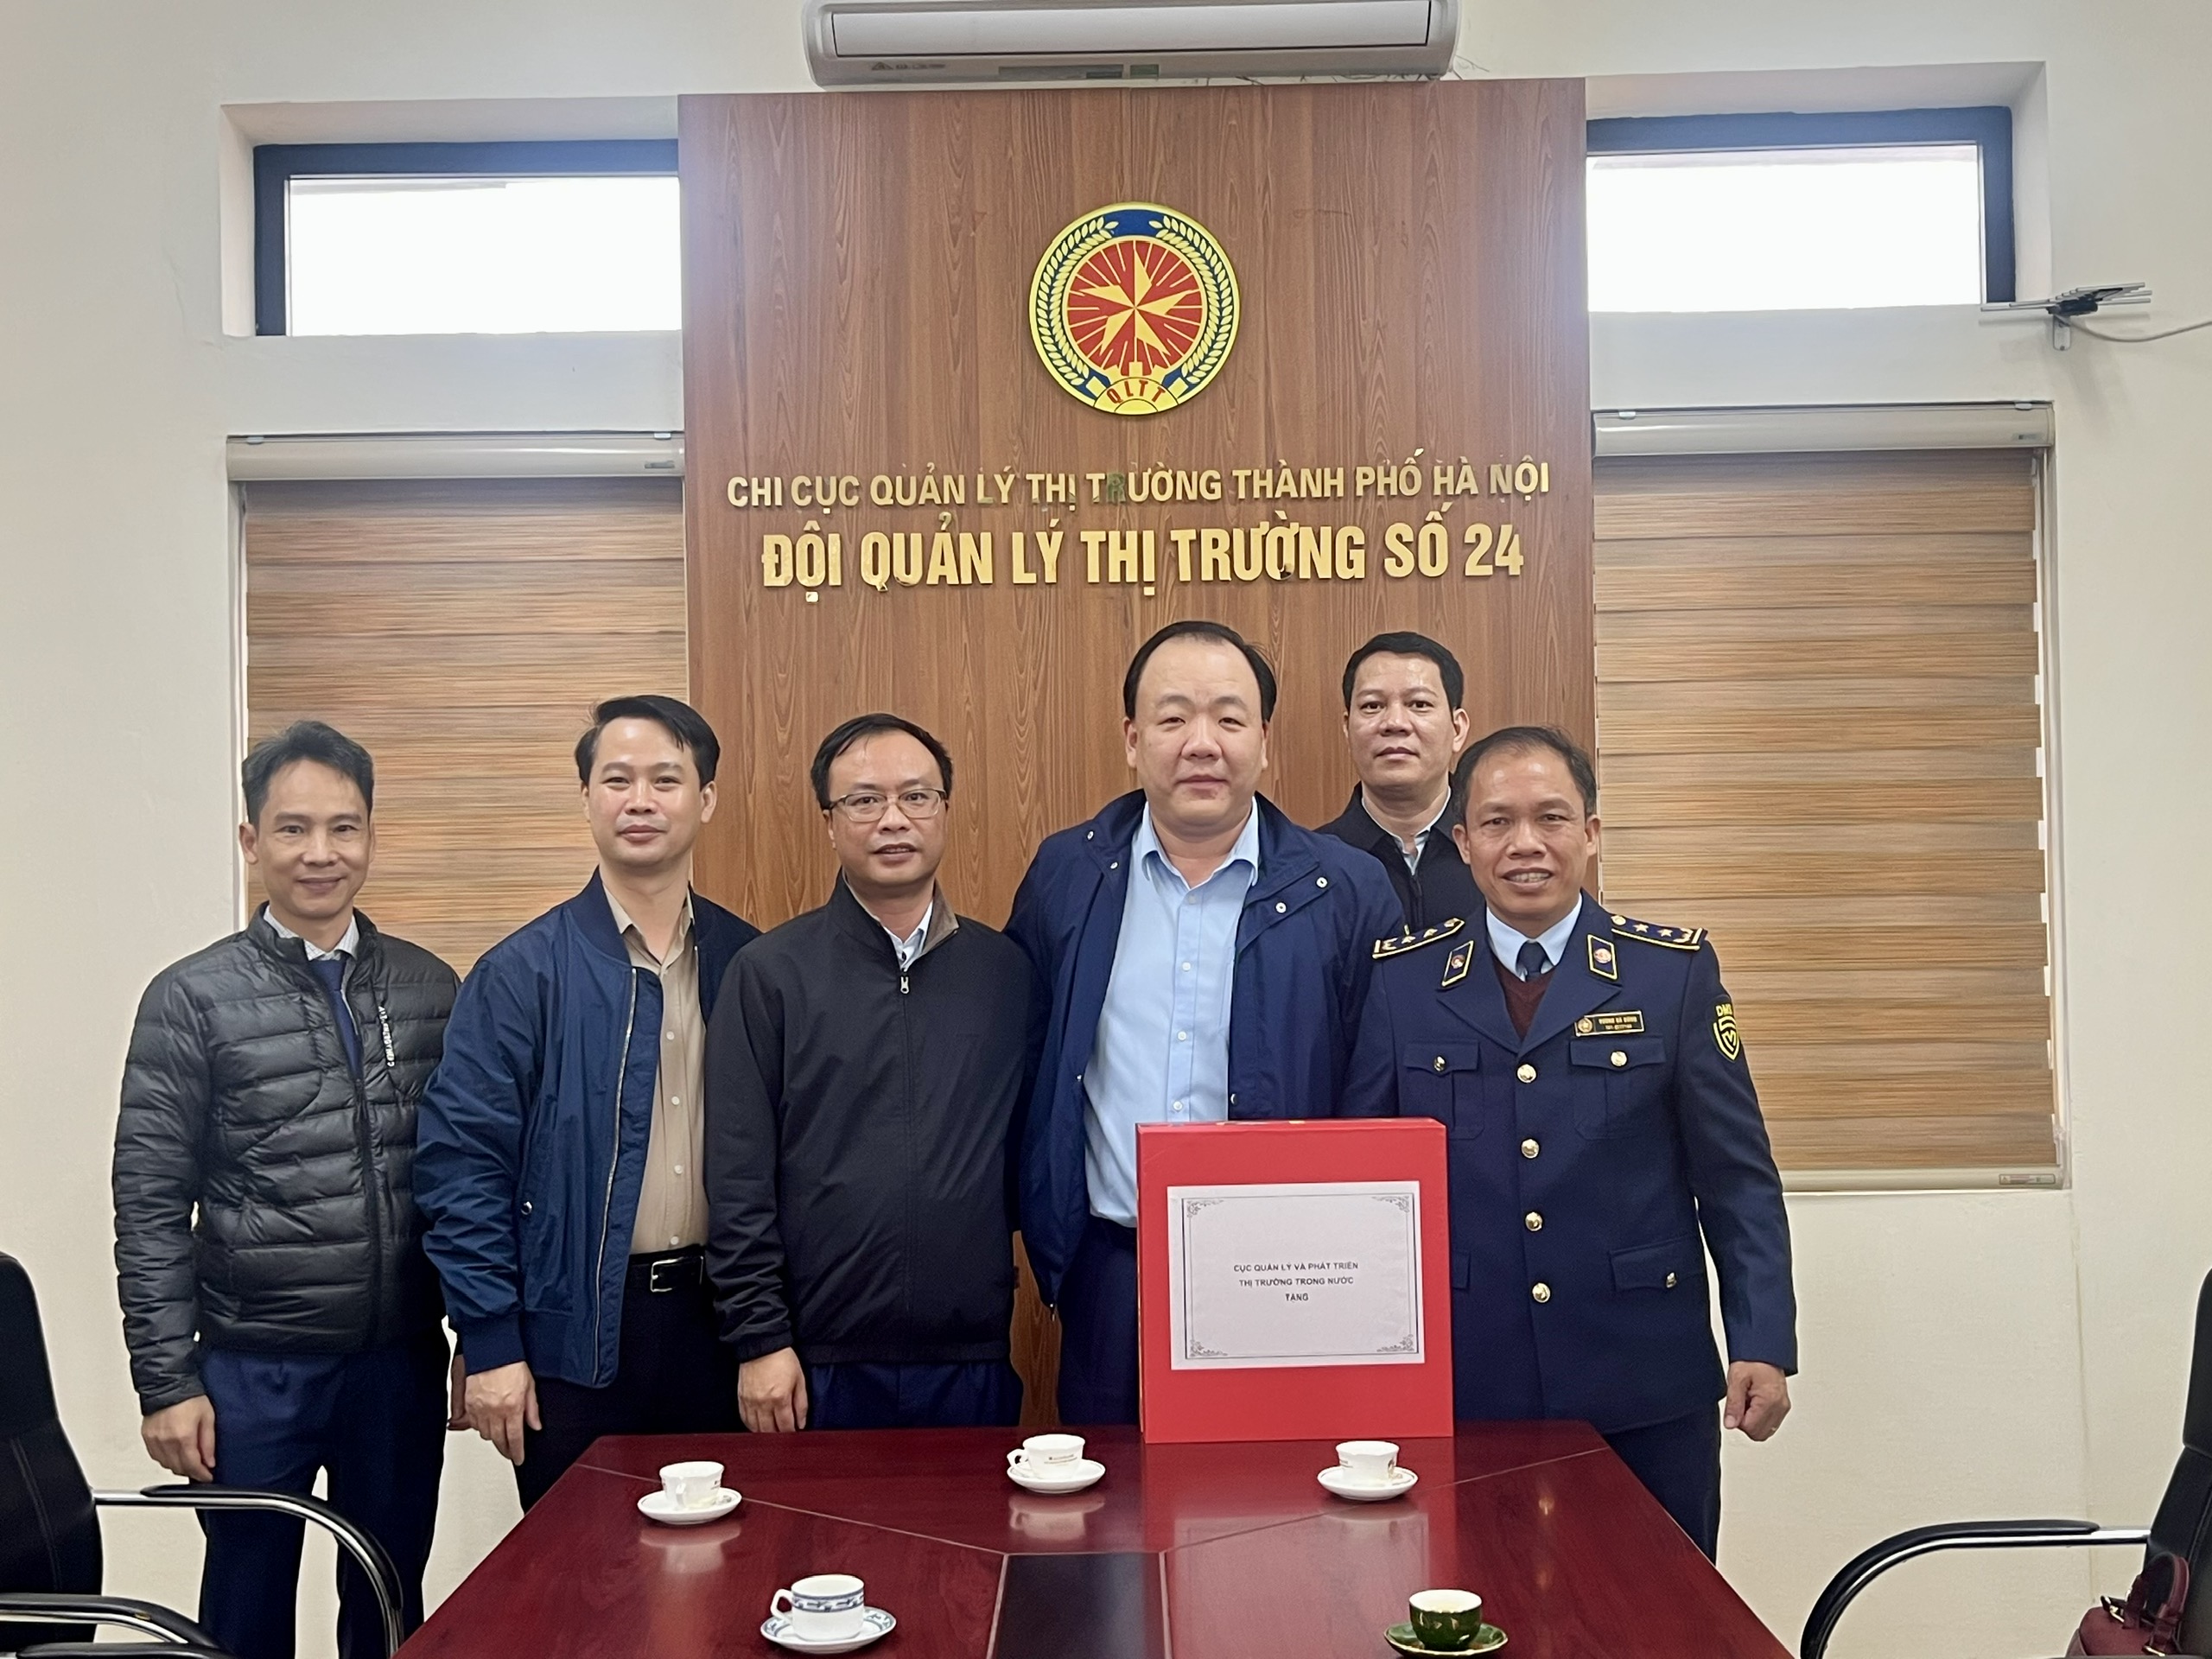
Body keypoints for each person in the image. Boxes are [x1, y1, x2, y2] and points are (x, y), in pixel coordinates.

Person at [1344, 725, 1796, 1557]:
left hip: (1644, 1380)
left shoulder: (1670, 974)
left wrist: (1761, 1340)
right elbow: (1363, 1188)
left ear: (1589, 833)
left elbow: (1737, 1179)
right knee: (1471, 1601)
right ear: (1464, 842)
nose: (1526, 844)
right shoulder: (1403, 982)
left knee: (1658, 1609)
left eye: (1551, 818)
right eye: (1497, 822)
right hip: (1466, 1381)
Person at [111, 721, 457, 1659]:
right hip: (252, 1369)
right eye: (293, 828)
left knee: (389, 1597)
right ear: (250, 839)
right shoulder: (191, 998)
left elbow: (465, 1182)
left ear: (371, 836)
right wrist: (166, 1382)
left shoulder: (429, 988)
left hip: (397, 1364)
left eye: (343, 828)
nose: (320, 853)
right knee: (246, 1606)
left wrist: (479, 1333)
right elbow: (149, 1205)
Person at [1007, 620, 1402, 1424]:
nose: (1201, 743)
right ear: (1132, 739)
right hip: (1111, 1269)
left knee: (1276, 1490)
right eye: (1173, 717)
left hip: (1292, 1270)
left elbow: (1378, 1090)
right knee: (1112, 1495)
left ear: (1264, 741)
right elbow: (1028, 1056)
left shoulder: (1347, 890)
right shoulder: (1067, 874)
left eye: (1228, 718)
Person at [415, 696, 760, 1508]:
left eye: (665, 780)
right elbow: (462, 1168)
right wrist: (491, 1342)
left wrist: (769, 1330)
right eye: (617, 780)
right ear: (586, 798)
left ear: (706, 799)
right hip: (571, 1336)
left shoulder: (750, 962)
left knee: (729, 1564)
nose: (641, 801)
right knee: (582, 1570)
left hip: (721, 1327)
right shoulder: (521, 974)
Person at [705, 714, 1033, 1432]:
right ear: (829, 822)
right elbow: (736, 1175)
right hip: (813, 1363)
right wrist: (760, 1339)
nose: (893, 819)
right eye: (864, 800)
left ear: (944, 810)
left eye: (917, 796)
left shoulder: (1005, 974)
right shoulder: (770, 974)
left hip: (971, 1356)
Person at [1315, 631, 1478, 931]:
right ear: (1347, 728)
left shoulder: (1498, 854)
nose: (1395, 723)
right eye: (1372, 706)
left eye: (1419, 704)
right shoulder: (1311, 866)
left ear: (1457, 729)